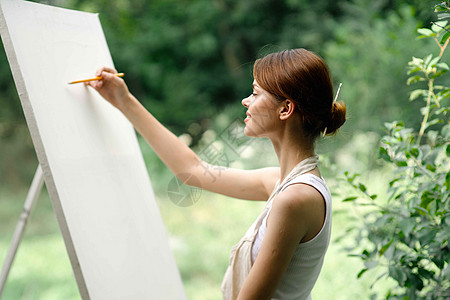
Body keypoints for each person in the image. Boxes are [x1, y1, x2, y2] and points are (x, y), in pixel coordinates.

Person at [86, 48, 346, 300]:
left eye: (255, 93)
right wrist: (123, 100)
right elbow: (194, 172)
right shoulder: (283, 182)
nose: (246, 101)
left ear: (285, 109)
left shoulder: (295, 198)